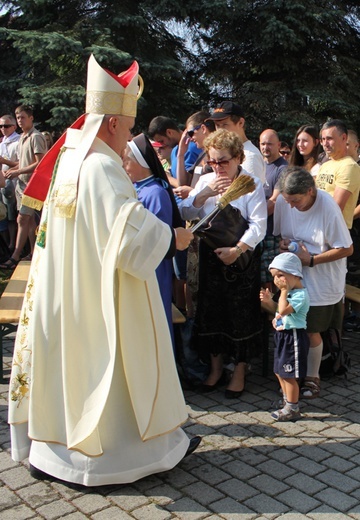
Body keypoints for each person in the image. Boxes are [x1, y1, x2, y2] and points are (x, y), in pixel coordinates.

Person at [8, 55, 200, 487]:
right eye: (130, 128)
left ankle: (55, 455)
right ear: (113, 123)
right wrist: (173, 238)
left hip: (69, 291)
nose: (130, 137)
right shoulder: (100, 167)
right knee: (108, 368)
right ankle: (122, 458)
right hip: (102, 294)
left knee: (69, 367)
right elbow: (130, 237)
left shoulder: (71, 159)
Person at [180, 129, 267, 398]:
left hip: (240, 258)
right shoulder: (206, 179)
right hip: (211, 256)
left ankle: (239, 371)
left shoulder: (250, 182)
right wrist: (203, 194)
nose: (218, 167)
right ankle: (216, 369)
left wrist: (237, 249)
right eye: (213, 161)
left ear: (238, 158)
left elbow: (259, 225)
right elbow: (185, 211)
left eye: (224, 161)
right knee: (211, 312)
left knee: (239, 315)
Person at [273, 166, 353, 399]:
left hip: (322, 278)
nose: (290, 206)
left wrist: (312, 260)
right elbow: (281, 234)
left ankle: (313, 377)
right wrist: (284, 246)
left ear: (310, 191)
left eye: (295, 201)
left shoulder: (327, 207)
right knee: (293, 326)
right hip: (294, 277)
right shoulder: (284, 202)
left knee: (310, 329)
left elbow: (347, 248)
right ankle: (294, 374)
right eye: (287, 200)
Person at [123, 133, 183, 349]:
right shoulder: (140, 187)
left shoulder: (155, 192)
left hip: (154, 268)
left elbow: (159, 235)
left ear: (141, 163)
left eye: (127, 160)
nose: (124, 165)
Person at [260, 253, 310, 421]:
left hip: (293, 337)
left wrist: (282, 292)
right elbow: (277, 310)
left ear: (295, 275)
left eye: (281, 275)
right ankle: (286, 402)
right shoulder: (287, 293)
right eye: (274, 277)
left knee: (289, 374)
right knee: (279, 372)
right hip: (282, 335)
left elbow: (283, 310)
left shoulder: (299, 295)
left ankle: (293, 407)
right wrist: (268, 302)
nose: (277, 280)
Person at [0, 105, 47, 268]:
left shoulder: (36, 137)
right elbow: (24, 161)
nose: (20, 121)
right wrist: (12, 169)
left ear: (31, 118)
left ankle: (15, 256)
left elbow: (40, 163)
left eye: (23, 117)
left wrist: (17, 171)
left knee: (22, 219)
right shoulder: (22, 137)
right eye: (18, 118)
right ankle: (33, 253)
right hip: (22, 185)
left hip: (32, 185)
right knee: (28, 221)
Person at [206, 101, 266, 184]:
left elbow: (250, 192)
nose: (220, 130)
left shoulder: (250, 156)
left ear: (240, 123)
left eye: (224, 125)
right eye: (217, 125)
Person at [316, 119, 360, 229]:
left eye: (330, 139)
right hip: (318, 226)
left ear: (344, 138)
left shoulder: (349, 166)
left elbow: (335, 207)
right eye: (323, 139)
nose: (325, 143)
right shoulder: (325, 165)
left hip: (335, 231)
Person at [259, 129, 288, 289]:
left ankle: (273, 313)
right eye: (262, 143)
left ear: (278, 145)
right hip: (258, 230)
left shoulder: (283, 168)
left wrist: (254, 216)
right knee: (260, 278)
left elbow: (274, 201)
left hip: (272, 232)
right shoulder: (260, 166)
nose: (265, 147)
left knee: (271, 277)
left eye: (269, 144)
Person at [0, 114, 19, 252]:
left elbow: (23, 163)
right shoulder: (2, 143)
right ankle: (6, 244)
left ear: (14, 126)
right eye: (1, 126)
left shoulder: (18, 142)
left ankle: (13, 244)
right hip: (2, 182)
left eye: (6, 126)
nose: (3, 129)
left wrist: (6, 163)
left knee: (12, 215)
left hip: (14, 182)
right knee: (3, 215)